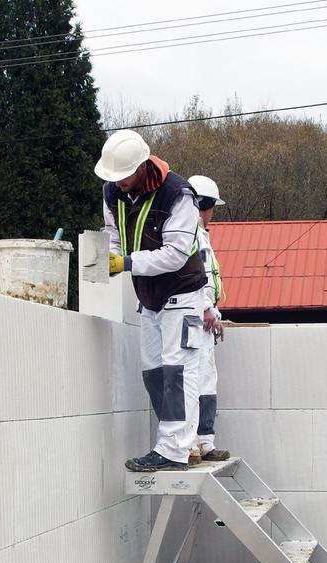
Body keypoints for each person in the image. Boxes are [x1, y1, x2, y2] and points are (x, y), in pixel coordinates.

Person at [96, 129, 206, 472]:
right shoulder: (112, 191)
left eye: (124, 175)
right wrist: (108, 258)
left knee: (178, 370)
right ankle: (181, 444)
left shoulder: (178, 194)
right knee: (154, 373)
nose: (119, 182)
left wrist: (127, 263)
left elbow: (174, 254)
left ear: (142, 166)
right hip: (149, 295)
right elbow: (114, 236)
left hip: (182, 290)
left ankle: (174, 450)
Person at [187, 175, 230, 463]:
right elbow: (195, 277)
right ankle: (190, 444)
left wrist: (213, 312)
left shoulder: (202, 235)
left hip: (205, 320)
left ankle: (204, 441)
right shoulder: (191, 233)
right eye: (211, 207)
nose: (212, 213)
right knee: (191, 380)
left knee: (205, 381)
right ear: (204, 204)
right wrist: (208, 311)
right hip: (195, 318)